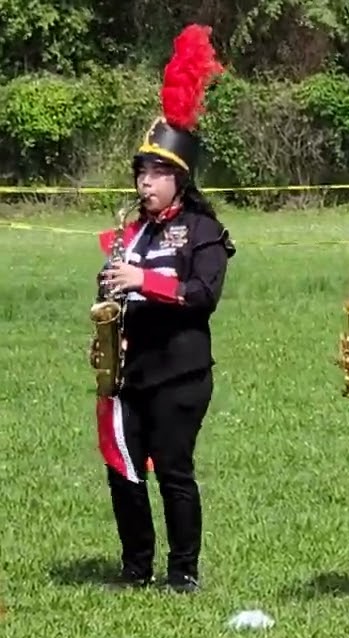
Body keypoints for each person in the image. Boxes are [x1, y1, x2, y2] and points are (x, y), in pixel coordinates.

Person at [94, 25, 230, 594]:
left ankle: (183, 572)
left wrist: (144, 280)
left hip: (181, 371)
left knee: (174, 472)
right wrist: (104, 313)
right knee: (122, 471)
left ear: (180, 179)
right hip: (130, 372)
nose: (146, 183)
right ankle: (134, 566)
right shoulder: (129, 232)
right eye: (141, 174)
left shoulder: (204, 230)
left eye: (157, 174)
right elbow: (108, 288)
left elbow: (202, 296)